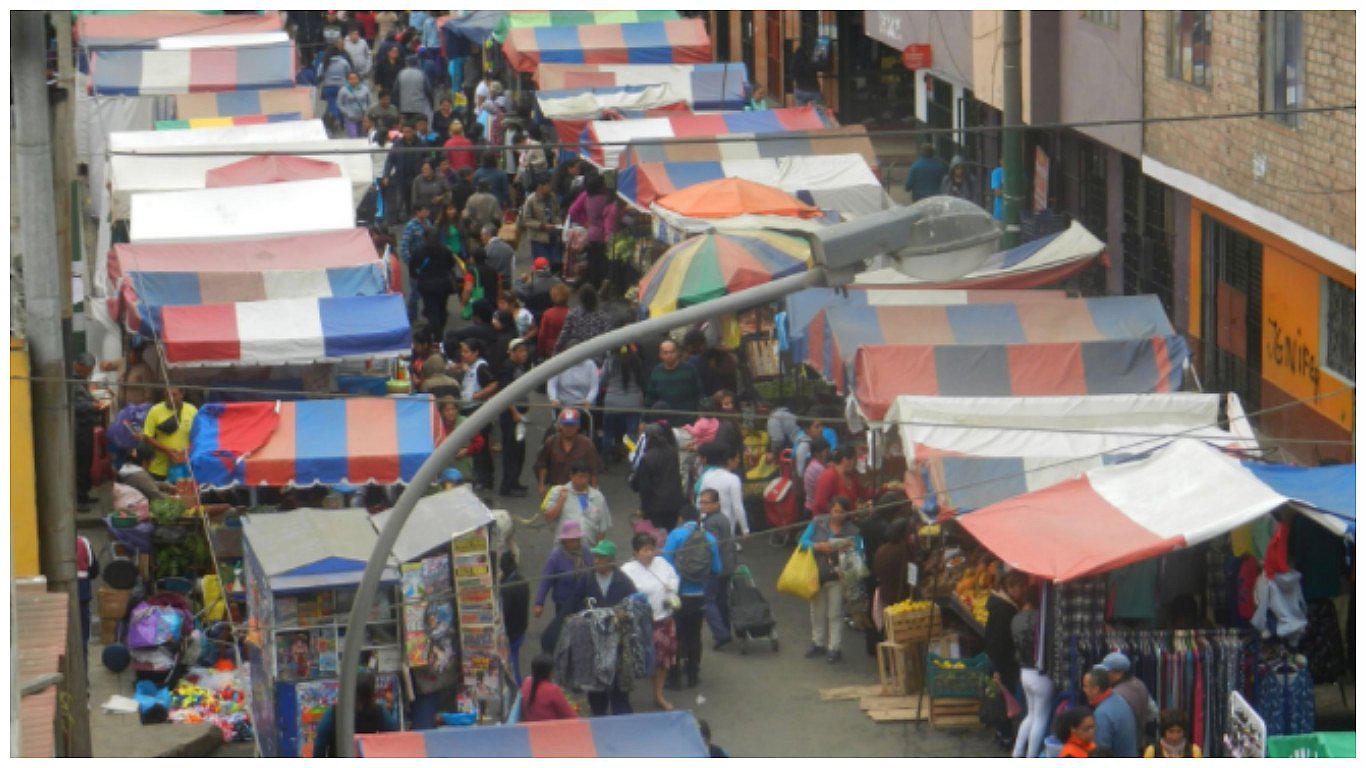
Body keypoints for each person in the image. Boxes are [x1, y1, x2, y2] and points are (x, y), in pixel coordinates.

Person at [570, 539, 637, 715]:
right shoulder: (587, 578)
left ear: (610, 560)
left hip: (617, 643)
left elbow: (634, 607)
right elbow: (574, 604)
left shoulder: (623, 581)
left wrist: (622, 614)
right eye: (595, 556)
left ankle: (621, 717)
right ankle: (598, 714)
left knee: (618, 688)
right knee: (596, 688)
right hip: (593, 641)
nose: (596, 560)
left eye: (600, 557)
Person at [661, 504, 722, 689]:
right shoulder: (709, 538)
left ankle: (674, 677)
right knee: (694, 634)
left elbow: (665, 565)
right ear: (698, 520)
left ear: (680, 519)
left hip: (678, 595)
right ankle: (693, 674)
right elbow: (717, 568)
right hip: (699, 595)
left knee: (676, 635)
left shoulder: (675, 535)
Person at [619, 532, 682, 711]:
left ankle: (659, 694)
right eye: (645, 550)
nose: (649, 553)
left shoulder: (662, 563)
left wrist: (671, 589)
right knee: (635, 659)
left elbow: (674, 578)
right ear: (635, 552)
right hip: (640, 624)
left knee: (662, 660)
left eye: (651, 549)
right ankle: (625, 696)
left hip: (663, 618)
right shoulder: (627, 570)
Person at [799, 496, 864, 663]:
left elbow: (858, 552)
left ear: (846, 513)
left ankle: (834, 647)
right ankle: (818, 643)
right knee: (817, 611)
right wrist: (817, 546)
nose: (837, 515)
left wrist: (846, 550)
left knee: (835, 613)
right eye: (835, 511)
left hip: (838, 576)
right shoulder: (818, 522)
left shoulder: (853, 531)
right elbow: (802, 542)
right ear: (830, 510)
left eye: (841, 512)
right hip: (816, 574)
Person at [984, 570, 1027, 743]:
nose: (1023, 591)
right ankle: (1005, 735)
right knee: (1004, 699)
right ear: (1010, 587)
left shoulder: (1002, 606)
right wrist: (998, 669)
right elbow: (998, 642)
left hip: (999, 662)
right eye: (1021, 587)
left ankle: (1003, 732)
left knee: (1002, 698)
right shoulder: (1004, 610)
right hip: (1002, 664)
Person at [312, 672, 397, 757]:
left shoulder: (334, 712)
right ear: (372, 692)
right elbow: (393, 737)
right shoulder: (379, 711)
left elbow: (320, 746)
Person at [1012, 582, 1053, 758]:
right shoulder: (1041, 619)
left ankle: (1017, 752)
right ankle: (1031, 756)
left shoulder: (1016, 618)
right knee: (1040, 718)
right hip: (1040, 673)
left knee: (1030, 715)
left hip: (1024, 672)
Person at [533, 520, 593, 631]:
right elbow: (546, 580)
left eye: (577, 539)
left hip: (583, 601)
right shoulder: (556, 557)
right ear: (565, 541)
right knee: (565, 631)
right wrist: (539, 603)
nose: (576, 542)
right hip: (563, 603)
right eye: (573, 540)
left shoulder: (586, 552)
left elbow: (593, 572)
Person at [699, 488, 738, 651]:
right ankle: (726, 629)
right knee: (722, 599)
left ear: (717, 504)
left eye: (706, 502)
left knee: (708, 600)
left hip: (716, 567)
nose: (702, 505)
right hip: (728, 565)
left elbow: (712, 546)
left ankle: (721, 633)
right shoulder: (722, 518)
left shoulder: (712, 522)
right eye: (701, 502)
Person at [456, 338, 498, 489]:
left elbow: (493, 384)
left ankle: (485, 478)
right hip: (468, 409)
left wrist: (477, 396)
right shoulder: (471, 367)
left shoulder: (481, 367)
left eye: (466, 351)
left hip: (477, 410)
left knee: (481, 446)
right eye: (463, 351)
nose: (463, 354)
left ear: (476, 352)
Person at [629, 422, 685, 533]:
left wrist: (643, 507)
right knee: (669, 534)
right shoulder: (672, 452)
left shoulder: (648, 457)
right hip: (673, 503)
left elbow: (644, 486)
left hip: (654, 506)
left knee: (655, 537)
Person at [534, 409, 602, 498]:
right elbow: (542, 465)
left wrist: (594, 491)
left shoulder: (587, 444)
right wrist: (541, 485)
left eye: (572, 425)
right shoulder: (551, 442)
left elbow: (594, 470)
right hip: (556, 490)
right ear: (560, 426)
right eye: (566, 425)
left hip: (580, 492)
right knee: (552, 512)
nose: (569, 428)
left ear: (578, 426)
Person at [566, 173, 616, 288]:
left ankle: (592, 284)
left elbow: (572, 211)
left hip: (591, 233)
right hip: (602, 235)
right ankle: (599, 285)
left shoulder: (586, 196)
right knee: (601, 261)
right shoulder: (605, 199)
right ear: (600, 186)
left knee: (592, 260)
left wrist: (585, 222)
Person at [542, 462, 612, 544]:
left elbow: (602, 528)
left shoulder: (597, 496)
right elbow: (548, 518)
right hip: (563, 550)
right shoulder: (557, 491)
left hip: (589, 550)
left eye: (586, 477)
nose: (584, 480)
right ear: (571, 476)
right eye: (580, 476)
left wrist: (598, 551)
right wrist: (561, 500)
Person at [598, 340, 645, 463]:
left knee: (608, 432)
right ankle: (633, 458)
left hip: (612, 402)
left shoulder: (610, 362)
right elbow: (642, 382)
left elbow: (602, 381)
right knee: (631, 434)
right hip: (633, 404)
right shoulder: (637, 361)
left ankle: (605, 458)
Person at [497, 339, 532, 498]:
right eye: (520, 351)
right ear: (512, 352)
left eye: (525, 350)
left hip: (520, 414)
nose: (524, 354)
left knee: (519, 450)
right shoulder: (507, 368)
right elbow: (505, 393)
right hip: (512, 416)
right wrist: (514, 412)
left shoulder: (520, 367)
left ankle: (515, 482)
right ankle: (508, 486)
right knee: (511, 451)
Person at [644, 340, 705, 428]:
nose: (669, 355)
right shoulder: (656, 372)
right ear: (660, 355)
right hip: (664, 423)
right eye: (665, 353)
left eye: (672, 352)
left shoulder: (689, 369)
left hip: (688, 423)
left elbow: (699, 393)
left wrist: (701, 414)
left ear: (677, 352)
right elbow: (650, 398)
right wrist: (644, 420)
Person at [141, 386, 196, 482]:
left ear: (182, 395)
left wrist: (187, 451)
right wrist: (167, 451)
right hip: (159, 469)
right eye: (167, 395)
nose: (170, 398)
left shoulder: (192, 410)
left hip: (185, 468)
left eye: (174, 395)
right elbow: (147, 436)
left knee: (183, 496)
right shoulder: (155, 410)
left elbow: (198, 435)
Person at [71, 353, 106, 504]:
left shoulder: (80, 379)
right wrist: (91, 405)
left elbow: (84, 397)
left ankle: (84, 494)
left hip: (86, 427)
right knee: (80, 463)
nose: (89, 373)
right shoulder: (70, 380)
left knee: (87, 461)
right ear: (79, 366)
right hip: (78, 428)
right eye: (87, 370)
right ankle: (79, 499)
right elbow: (72, 405)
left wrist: (94, 400)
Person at [1083, 665, 1139, 757]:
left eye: (1085, 686)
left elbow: (1100, 753)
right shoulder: (1118, 699)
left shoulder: (1102, 714)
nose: (1084, 690)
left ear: (1096, 689)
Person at [696, 441, 748, 538]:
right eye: (737, 458)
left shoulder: (707, 475)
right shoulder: (733, 479)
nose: (739, 461)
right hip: (727, 524)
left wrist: (700, 520)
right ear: (729, 461)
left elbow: (699, 500)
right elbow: (738, 506)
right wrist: (745, 529)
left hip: (707, 522)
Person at [1101, 651, 1156, 744]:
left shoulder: (1117, 694)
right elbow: (1153, 712)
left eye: (1107, 672)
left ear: (1119, 673)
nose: (1104, 675)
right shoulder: (1138, 683)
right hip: (1140, 740)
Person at [411, 231, 457, 335]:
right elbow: (451, 265)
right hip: (443, 284)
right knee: (442, 309)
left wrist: (419, 277)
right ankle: (440, 330)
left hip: (426, 286)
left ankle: (436, 335)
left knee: (432, 311)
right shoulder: (445, 250)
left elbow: (412, 269)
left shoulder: (419, 251)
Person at [552, 285, 613, 359]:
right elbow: (607, 340)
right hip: (596, 357)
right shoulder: (604, 317)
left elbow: (564, 336)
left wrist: (555, 352)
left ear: (580, 299)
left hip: (576, 356)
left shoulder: (573, 314)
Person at [384, 123, 426, 221]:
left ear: (414, 132)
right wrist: (386, 175)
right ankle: (396, 219)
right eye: (405, 132)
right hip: (401, 176)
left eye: (409, 132)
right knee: (400, 198)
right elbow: (390, 160)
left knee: (414, 199)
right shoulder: (397, 144)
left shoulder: (421, 143)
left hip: (416, 176)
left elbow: (427, 157)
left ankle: (414, 217)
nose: (407, 134)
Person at [810, 447, 868, 518]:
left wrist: (881, 489)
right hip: (828, 523)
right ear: (846, 461)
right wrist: (838, 515)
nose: (855, 464)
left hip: (847, 520)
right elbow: (820, 504)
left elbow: (863, 493)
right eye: (855, 461)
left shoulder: (851, 477)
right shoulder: (828, 476)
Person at [873, 518, 919, 606]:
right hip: (902, 601)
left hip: (885, 597)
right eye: (911, 532)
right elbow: (913, 579)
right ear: (906, 533)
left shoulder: (881, 550)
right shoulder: (905, 550)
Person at [499, 551, 530, 682]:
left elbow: (504, 613)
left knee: (511, 665)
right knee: (514, 658)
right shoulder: (523, 581)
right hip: (521, 629)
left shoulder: (507, 589)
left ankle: (517, 689)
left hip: (511, 632)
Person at [521, 173, 562, 270]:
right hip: (538, 238)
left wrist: (557, 222)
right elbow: (526, 219)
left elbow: (557, 212)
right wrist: (541, 226)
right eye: (548, 185)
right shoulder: (531, 200)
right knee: (542, 265)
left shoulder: (552, 197)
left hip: (552, 236)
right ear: (540, 186)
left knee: (554, 264)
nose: (550, 187)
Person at [520, 654, 578, 722]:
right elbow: (571, 716)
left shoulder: (526, 683)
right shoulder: (553, 690)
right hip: (550, 729)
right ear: (551, 672)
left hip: (531, 730)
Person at [536, 283, 572, 360]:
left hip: (551, 351)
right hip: (568, 350)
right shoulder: (571, 314)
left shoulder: (548, 314)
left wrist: (540, 351)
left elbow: (542, 335)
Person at [395, 55, 433, 124]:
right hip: (418, 107)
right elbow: (428, 91)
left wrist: (397, 106)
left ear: (407, 63)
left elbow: (396, 91)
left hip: (404, 107)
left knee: (407, 126)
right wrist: (431, 104)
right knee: (417, 126)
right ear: (417, 63)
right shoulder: (421, 74)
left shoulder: (401, 74)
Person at [76, 534, 100, 646]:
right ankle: (83, 661)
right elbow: (94, 570)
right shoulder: (83, 541)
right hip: (82, 588)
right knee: (82, 632)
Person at [337, 71, 373, 138]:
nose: (353, 80)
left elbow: (369, 102)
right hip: (350, 119)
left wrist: (367, 113)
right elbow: (339, 104)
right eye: (351, 79)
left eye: (355, 78)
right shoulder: (343, 90)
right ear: (347, 80)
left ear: (358, 79)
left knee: (364, 138)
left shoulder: (365, 89)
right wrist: (347, 113)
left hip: (363, 118)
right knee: (353, 138)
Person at [479, 223, 516, 289]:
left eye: (482, 235)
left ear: (487, 235)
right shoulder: (509, 248)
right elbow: (513, 269)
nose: (481, 238)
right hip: (507, 284)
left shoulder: (485, 250)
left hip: (492, 285)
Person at [802, 437, 830, 520]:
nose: (828, 454)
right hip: (813, 510)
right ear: (818, 453)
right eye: (826, 452)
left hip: (809, 506)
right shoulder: (818, 468)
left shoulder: (814, 464)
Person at [789, 42, 823, 106]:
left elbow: (792, 73)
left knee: (801, 112)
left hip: (800, 89)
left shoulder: (795, 62)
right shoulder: (810, 63)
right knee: (818, 112)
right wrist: (820, 57)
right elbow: (821, 66)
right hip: (813, 90)